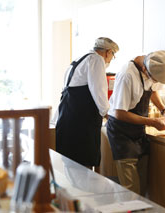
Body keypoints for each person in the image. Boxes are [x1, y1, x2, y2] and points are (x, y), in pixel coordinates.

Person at [106, 50, 165, 195]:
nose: (155, 83)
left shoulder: (151, 69)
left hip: (138, 131)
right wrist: (152, 122)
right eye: (155, 79)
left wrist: (164, 111)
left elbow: (152, 91)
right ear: (145, 69)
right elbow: (120, 113)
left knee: (143, 185)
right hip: (122, 132)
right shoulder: (127, 75)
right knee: (130, 189)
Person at [56, 37, 119, 170]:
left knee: (71, 164)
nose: (111, 59)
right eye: (113, 55)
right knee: (84, 166)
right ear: (108, 52)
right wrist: (109, 115)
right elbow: (99, 91)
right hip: (82, 122)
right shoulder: (96, 60)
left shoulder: (79, 60)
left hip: (68, 118)